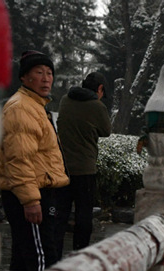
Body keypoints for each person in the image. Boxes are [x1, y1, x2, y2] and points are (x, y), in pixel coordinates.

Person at [0, 50, 71, 271]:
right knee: (43, 261)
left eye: (49, 73)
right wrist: (30, 201)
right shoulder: (21, 108)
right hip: (30, 194)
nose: (46, 78)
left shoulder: (35, 106)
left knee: (23, 259)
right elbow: (19, 159)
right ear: (24, 78)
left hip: (38, 192)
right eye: (39, 72)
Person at [57, 71, 112, 250]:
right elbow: (106, 131)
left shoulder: (65, 100)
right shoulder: (97, 106)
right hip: (85, 169)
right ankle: (79, 253)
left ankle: (54, 253)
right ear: (100, 89)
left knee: (60, 214)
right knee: (83, 215)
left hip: (62, 166)